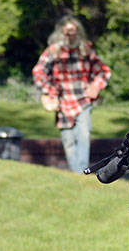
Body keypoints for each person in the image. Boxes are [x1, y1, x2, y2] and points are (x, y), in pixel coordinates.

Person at [32, 15, 110, 172]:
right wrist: (50, 90)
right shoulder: (53, 51)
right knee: (68, 140)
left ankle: (81, 173)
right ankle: (75, 173)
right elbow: (38, 71)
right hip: (62, 102)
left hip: (83, 101)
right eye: (67, 32)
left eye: (73, 31)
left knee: (83, 136)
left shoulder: (85, 50)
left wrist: (95, 86)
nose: (70, 35)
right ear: (61, 33)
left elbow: (104, 71)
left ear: (78, 32)